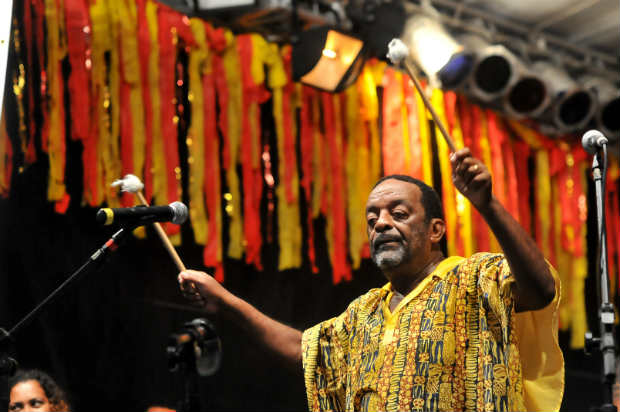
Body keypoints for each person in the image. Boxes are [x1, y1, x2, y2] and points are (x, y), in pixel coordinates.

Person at [178, 148, 564, 412]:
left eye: (398, 213)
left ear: (435, 230)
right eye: (372, 218)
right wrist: (224, 300)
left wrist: (487, 204)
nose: (381, 223)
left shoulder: (474, 278)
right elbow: (303, 350)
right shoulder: (364, 312)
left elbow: (539, 286)